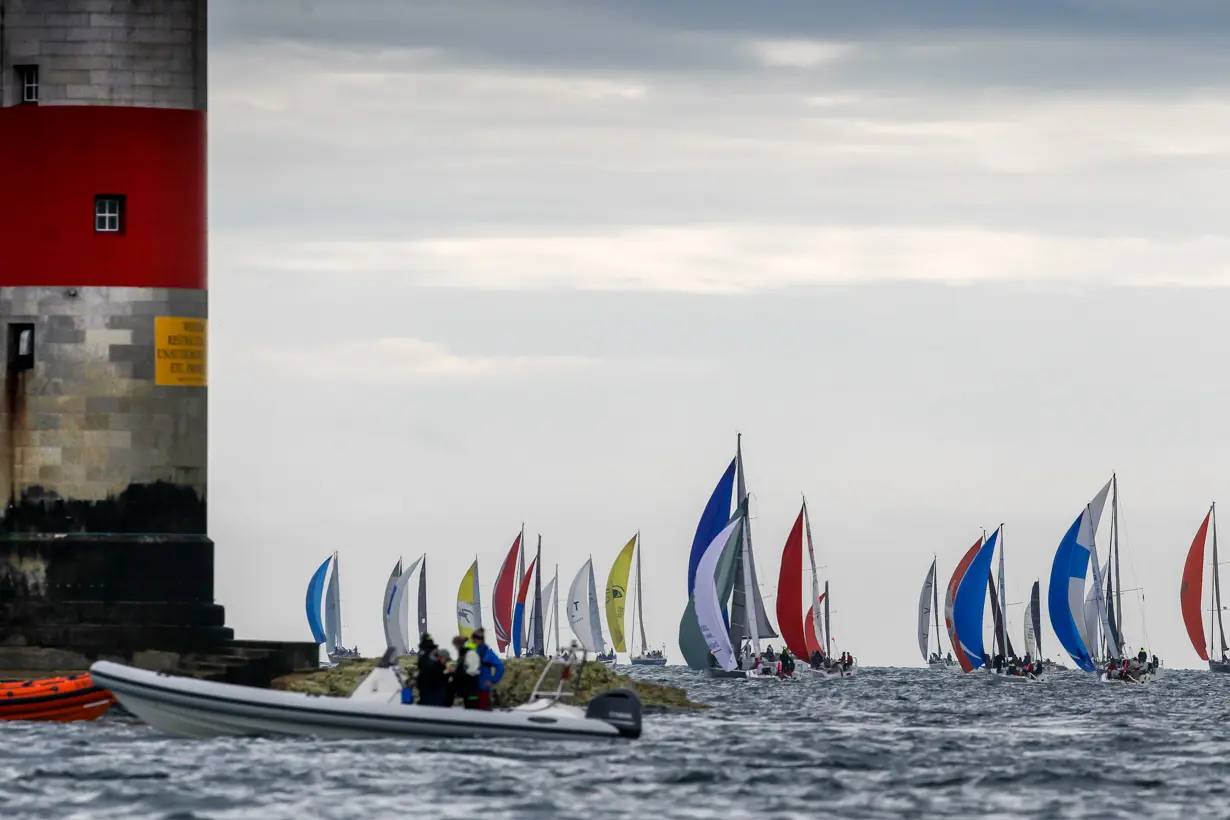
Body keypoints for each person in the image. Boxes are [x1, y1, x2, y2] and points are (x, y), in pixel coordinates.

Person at [471, 628, 504, 711]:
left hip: (483, 687)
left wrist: (493, 680)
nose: (474, 641)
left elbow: (500, 666)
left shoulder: (487, 652)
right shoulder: (472, 651)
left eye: (475, 640)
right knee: (472, 711)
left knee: (482, 710)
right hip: (472, 687)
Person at [415, 634, 448, 707]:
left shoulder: (423, 653)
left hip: (429, 685)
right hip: (437, 685)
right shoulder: (435, 653)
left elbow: (423, 669)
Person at [450, 636, 480, 707]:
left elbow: (472, 671)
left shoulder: (469, 653)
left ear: (458, 644)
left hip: (470, 687)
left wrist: (458, 673)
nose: (455, 648)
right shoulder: (464, 654)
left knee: (471, 708)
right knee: (468, 706)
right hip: (467, 687)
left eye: (455, 645)